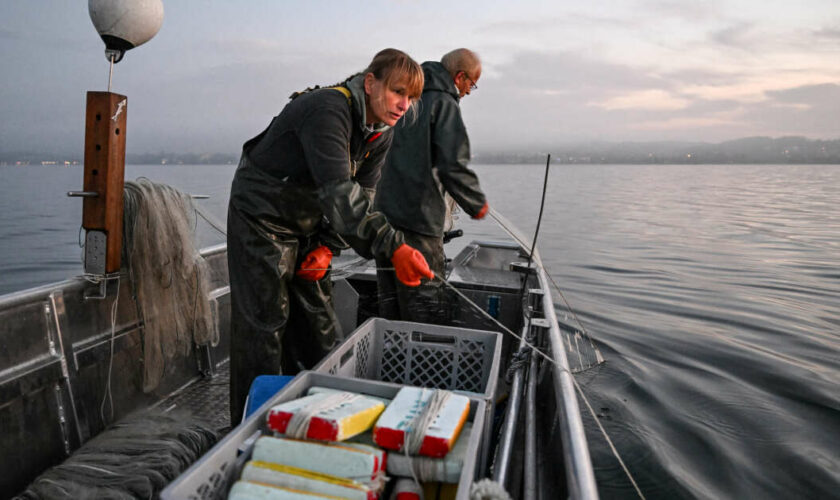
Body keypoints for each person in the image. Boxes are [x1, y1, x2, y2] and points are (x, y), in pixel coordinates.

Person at [226, 49, 433, 424]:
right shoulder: (327, 110)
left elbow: (362, 195)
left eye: (411, 98)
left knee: (319, 327)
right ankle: (247, 426)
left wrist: (327, 246)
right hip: (262, 216)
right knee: (265, 324)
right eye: (398, 92)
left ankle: (310, 418)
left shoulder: (381, 133)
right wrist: (394, 247)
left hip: (312, 223)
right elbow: (341, 194)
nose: (404, 105)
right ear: (371, 83)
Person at [374, 48, 488, 324]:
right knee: (426, 305)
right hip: (420, 223)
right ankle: (423, 363)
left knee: (390, 302)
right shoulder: (443, 103)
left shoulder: (404, 96)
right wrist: (476, 203)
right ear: (459, 77)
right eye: (471, 84)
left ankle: (390, 359)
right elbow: (452, 164)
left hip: (383, 220)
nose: (469, 92)